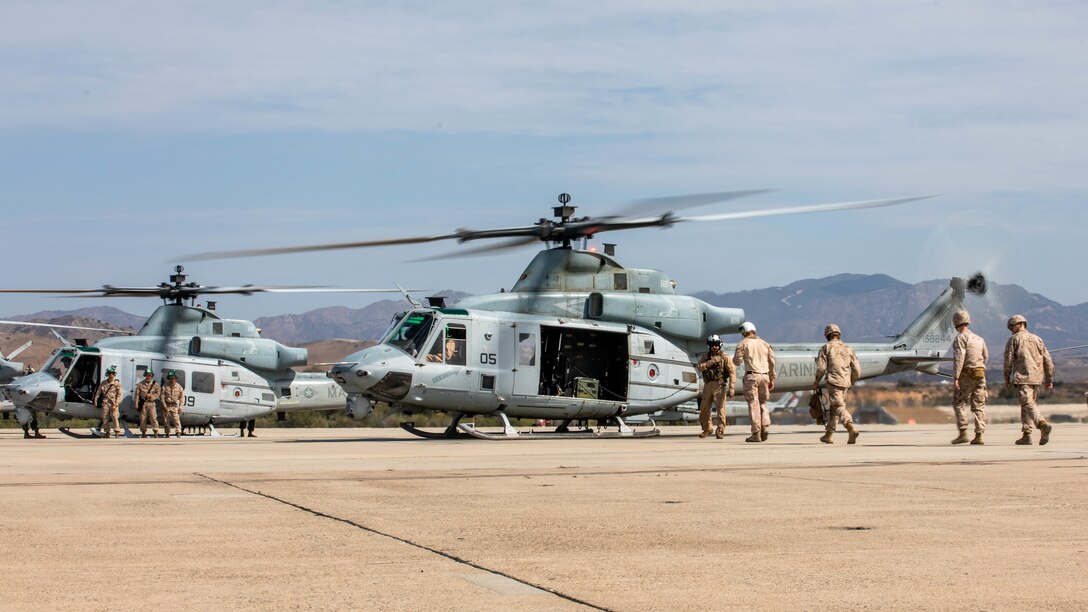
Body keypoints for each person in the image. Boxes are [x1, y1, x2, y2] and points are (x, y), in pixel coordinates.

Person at [1003, 314, 1055, 445]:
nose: (1011, 329)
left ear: (1020, 324)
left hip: (1023, 377)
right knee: (1028, 405)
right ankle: (1026, 435)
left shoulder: (1014, 339)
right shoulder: (1037, 339)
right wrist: (1049, 379)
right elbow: (1048, 360)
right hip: (1037, 378)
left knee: (1027, 404)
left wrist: (1006, 377)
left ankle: (1042, 424)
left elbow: (1008, 361)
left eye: (1012, 326)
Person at [812, 324, 861, 444]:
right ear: (839, 335)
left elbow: (821, 368)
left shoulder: (826, 348)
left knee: (838, 407)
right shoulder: (848, 348)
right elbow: (857, 370)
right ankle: (828, 435)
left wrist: (816, 381)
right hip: (845, 383)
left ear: (827, 335)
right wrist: (851, 381)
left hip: (834, 382)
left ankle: (850, 427)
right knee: (834, 409)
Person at [733, 322, 776, 443]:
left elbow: (737, 361)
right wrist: (772, 378)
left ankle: (756, 433)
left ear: (744, 331)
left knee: (753, 403)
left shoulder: (743, 343)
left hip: (752, 376)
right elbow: (772, 361)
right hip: (765, 376)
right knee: (763, 402)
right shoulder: (765, 343)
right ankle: (765, 426)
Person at [950, 310, 988, 445]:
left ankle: (963, 432)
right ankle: (979, 435)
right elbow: (985, 356)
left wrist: (956, 377)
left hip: (967, 373)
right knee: (978, 405)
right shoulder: (979, 339)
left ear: (956, 323)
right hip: (980, 373)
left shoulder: (960, 338)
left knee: (958, 402)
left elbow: (959, 358)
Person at [696, 334, 735, 439]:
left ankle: (720, 430)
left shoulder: (724, 357)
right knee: (704, 408)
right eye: (712, 344)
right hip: (708, 385)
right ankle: (708, 428)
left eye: (716, 344)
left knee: (720, 409)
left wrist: (732, 387)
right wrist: (708, 363)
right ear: (709, 346)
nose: (715, 347)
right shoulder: (705, 357)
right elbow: (699, 367)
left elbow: (732, 372)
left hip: (720, 385)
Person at [92, 366, 124, 438]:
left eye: (112, 373)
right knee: (105, 417)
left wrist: (116, 404)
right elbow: (98, 392)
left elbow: (119, 395)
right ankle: (107, 431)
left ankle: (116, 432)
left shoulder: (117, 384)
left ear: (114, 374)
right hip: (105, 402)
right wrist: (95, 401)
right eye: (109, 373)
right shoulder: (103, 383)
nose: (111, 375)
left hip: (113, 402)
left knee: (115, 417)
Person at [134, 368, 162, 438]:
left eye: (150, 375)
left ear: (152, 376)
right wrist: (136, 404)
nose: (148, 376)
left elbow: (158, 394)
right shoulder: (140, 384)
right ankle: (143, 432)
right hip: (144, 403)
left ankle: (155, 431)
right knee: (143, 418)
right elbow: (137, 395)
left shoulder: (155, 384)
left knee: (153, 418)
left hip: (151, 403)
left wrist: (152, 396)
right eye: (147, 375)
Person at [161, 371, 185, 438]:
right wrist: (164, 406)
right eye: (171, 378)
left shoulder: (179, 387)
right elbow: (162, 398)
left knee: (176, 420)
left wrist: (180, 407)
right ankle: (167, 433)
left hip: (174, 406)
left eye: (173, 378)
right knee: (166, 420)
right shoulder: (165, 386)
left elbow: (182, 398)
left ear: (175, 378)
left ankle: (178, 432)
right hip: (167, 405)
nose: (172, 379)